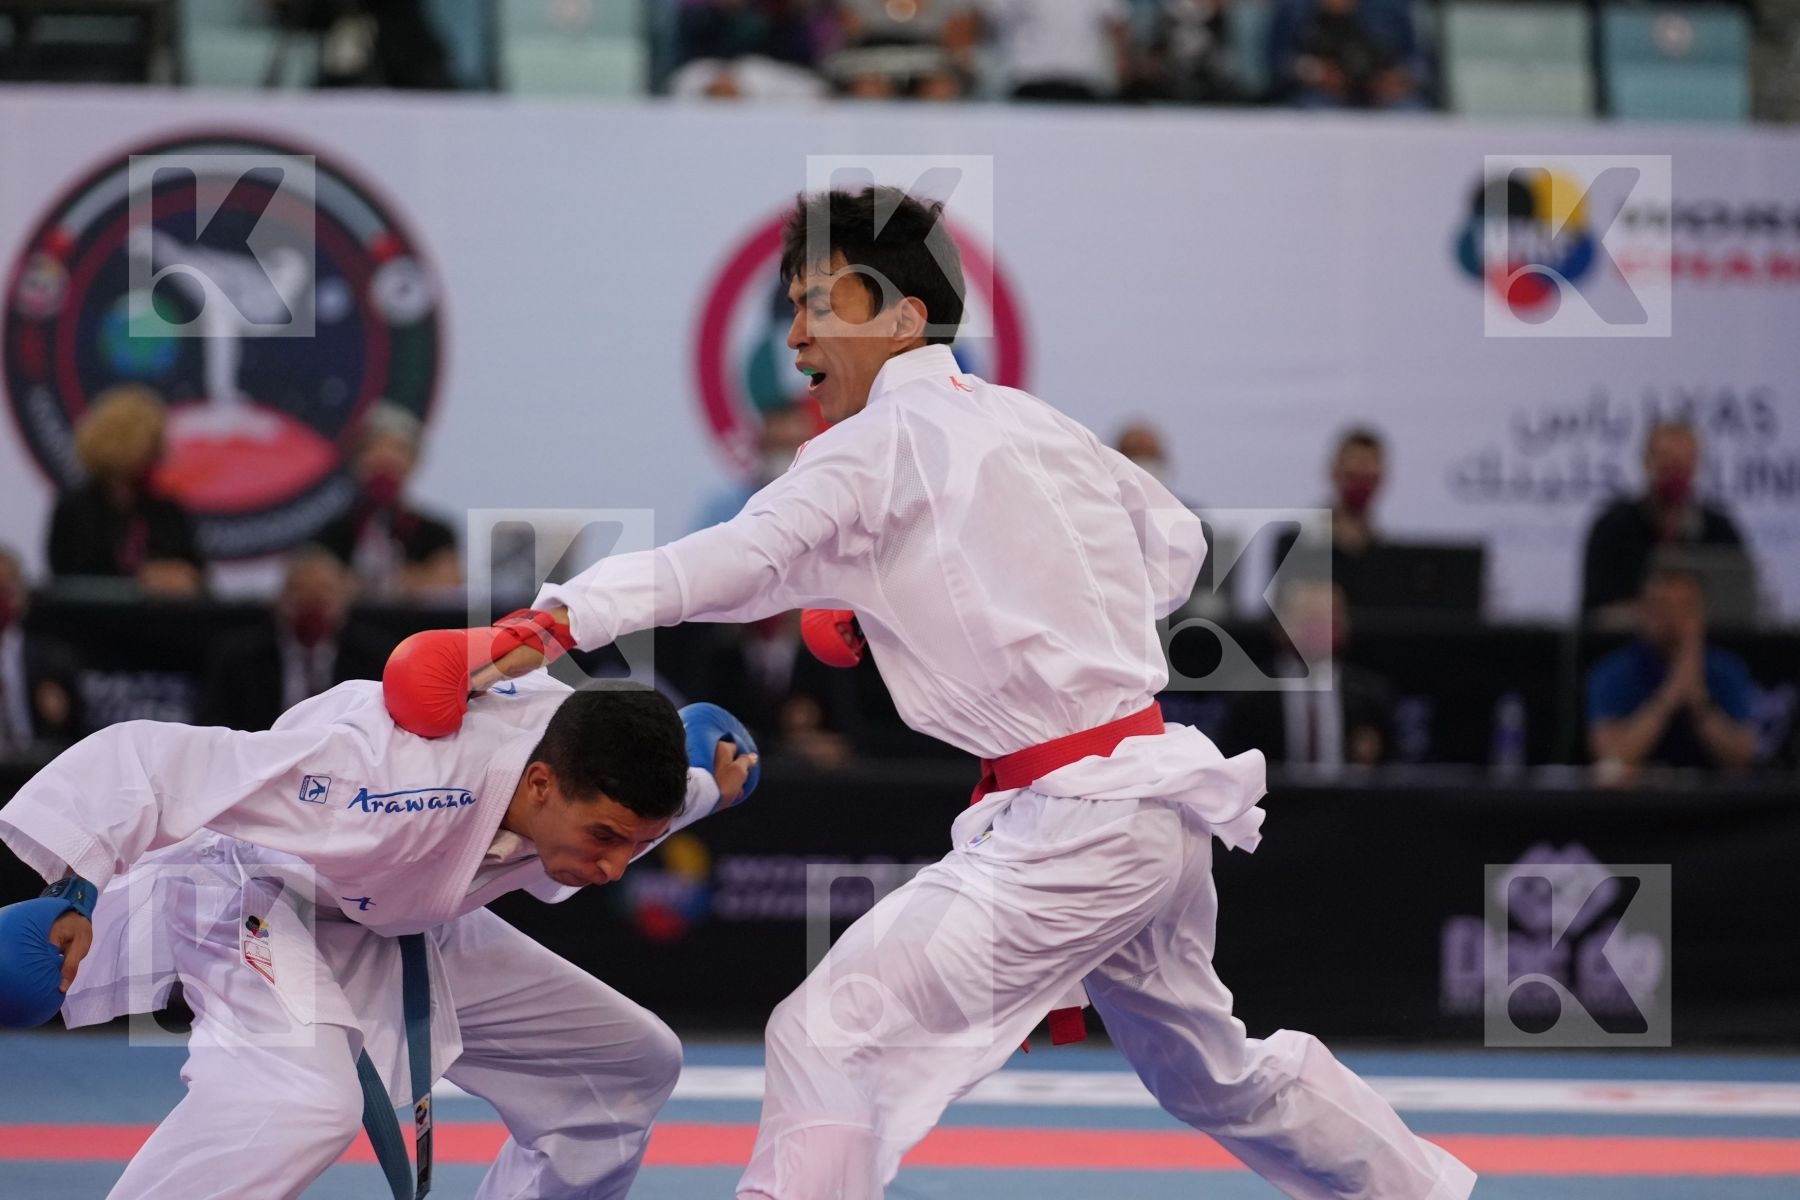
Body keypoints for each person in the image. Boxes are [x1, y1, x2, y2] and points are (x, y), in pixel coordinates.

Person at [383, 187, 1476, 1200]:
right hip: (1148, 797)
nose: (797, 336)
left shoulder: (873, 454)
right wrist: (934, 599)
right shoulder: (1035, 423)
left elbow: (719, 566)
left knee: (829, 1032)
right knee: (1215, 1078)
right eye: (793, 308)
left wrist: (551, 622)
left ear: (904, 316)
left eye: (820, 305)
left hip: (1081, 824)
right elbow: (1177, 547)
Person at [0, 674, 757, 1199]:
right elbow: (153, 759)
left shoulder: (583, 768)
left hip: (397, 911)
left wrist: (707, 785)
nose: (616, 867)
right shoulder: (375, 784)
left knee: (632, 1060)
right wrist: (74, 890)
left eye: (634, 843)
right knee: (307, 1102)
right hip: (262, 895)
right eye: (604, 838)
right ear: (539, 785)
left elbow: (646, 801)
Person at [196, 546, 394, 732]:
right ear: (280, 599)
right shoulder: (238, 658)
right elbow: (214, 726)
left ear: (344, 600)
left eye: (324, 592)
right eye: (300, 591)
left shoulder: (373, 658)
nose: (311, 603)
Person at [1588, 566, 1758, 777]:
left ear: (1701, 614)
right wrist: (1670, 695)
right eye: (1660, 606)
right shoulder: (1613, 672)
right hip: (1636, 803)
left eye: (1682, 608)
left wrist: (1698, 701)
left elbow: (1742, 757)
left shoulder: (1725, 669)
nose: (1670, 618)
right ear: (1641, 610)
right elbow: (1612, 759)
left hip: (1714, 802)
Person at [1581, 420, 1748, 624]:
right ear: (1646, 463)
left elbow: (1741, 608)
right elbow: (1596, 613)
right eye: (1667, 464)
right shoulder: (1612, 528)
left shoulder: (1719, 530)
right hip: (1628, 647)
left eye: (1682, 465)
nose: (1675, 474)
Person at [46, 386, 205, 597]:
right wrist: (138, 581)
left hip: (158, 623)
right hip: (90, 623)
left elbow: (198, 578)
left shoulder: (167, 510)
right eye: (151, 445)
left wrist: (179, 577)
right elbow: (65, 580)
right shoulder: (75, 509)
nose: (158, 455)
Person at [1220, 579, 1395, 770]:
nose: (1318, 628)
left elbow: (1395, 771)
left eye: (1327, 617)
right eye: (1307, 618)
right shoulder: (1248, 693)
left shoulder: (1371, 694)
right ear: (1278, 624)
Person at [315, 402, 460, 602]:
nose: (384, 459)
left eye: (397, 450)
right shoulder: (331, 531)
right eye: (373, 448)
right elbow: (317, 585)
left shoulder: (436, 532)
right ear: (356, 461)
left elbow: (447, 583)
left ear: (413, 461)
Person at [945, 0, 1133, 101]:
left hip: (1081, 83)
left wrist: (1121, 68)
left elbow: (1117, 25)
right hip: (1031, 83)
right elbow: (983, 18)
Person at [0, 546, 85, 756]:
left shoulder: (54, 659)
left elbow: (79, 730)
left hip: (32, 769)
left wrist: (60, 716)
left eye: (7, 588)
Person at [1269, 0, 1428, 109]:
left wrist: (1397, 78)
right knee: (1314, 113)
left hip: (1385, 96)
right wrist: (1317, 73)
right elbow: (1279, 61)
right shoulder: (1294, 6)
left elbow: (1418, 61)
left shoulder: (1392, 6)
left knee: (1414, 115)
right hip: (1321, 95)